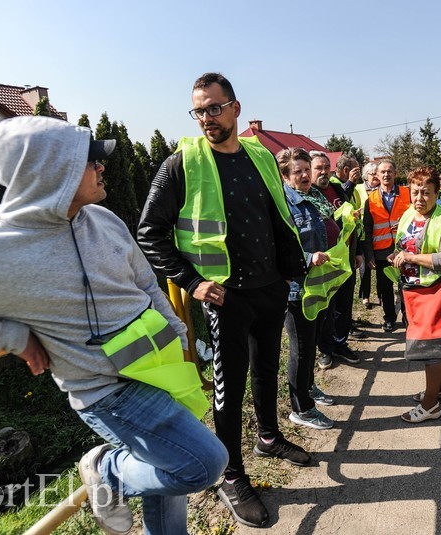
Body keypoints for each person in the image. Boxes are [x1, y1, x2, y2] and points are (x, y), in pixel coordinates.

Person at [0, 116, 229, 535]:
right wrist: (8, 336)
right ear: (54, 170)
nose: (102, 167)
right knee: (203, 463)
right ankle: (107, 471)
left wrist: (178, 337)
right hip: (107, 391)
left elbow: (145, 283)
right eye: (91, 161)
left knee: (168, 480)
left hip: (162, 368)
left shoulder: (103, 219)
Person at [137, 72, 309, 528]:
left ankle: (269, 437)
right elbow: (149, 234)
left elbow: (278, 212)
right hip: (225, 297)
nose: (207, 118)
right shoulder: (182, 163)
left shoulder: (260, 154)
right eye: (199, 110)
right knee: (228, 389)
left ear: (235, 108)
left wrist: (290, 268)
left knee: (267, 368)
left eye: (215, 108)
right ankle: (232, 474)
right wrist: (191, 282)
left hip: (270, 288)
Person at [388, 167, 441, 423]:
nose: (420, 199)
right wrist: (397, 255)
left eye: (426, 193)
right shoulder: (410, 214)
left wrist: (411, 257)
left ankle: (431, 405)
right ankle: (439, 388)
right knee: (426, 347)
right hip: (412, 291)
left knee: (432, 350)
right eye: (416, 192)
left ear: (437, 192)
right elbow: (403, 244)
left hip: (435, 292)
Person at [277, 147, 337, 430]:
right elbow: (278, 247)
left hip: (315, 285)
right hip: (296, 289)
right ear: (285, 175)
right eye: (297, 171)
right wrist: (307, 258)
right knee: (300, 347)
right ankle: (301, 409)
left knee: (310, 342)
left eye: (305, 169)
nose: (303, 175)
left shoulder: (311, 198)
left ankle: (309, 387)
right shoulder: (284, 204)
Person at [310, 151, 363, 369]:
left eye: (325, 167)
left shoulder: (338, 189)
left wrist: (357, 251)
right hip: (324, 264)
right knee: (326, 310)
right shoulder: (309, 195)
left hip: (346, 261)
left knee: (344, 306)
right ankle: (325, 350)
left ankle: (340, 344)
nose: (323, 172)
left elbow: (350, 220)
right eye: (318, 168)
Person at [363, 159, 411, 331]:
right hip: (381, 251)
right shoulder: (371, 199)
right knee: (385, 288)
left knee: (406, 285)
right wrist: (369, 255)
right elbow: (367, 230)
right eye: (382, 172)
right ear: (377, 175)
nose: (386, 174)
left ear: (395, 174)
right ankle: (389, 318)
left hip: (404, 249)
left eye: (389, 171)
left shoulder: (408, 193)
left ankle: (409, 319)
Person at [358, 162, 380, 309]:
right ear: (366, 176)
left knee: (379, 265)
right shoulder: (358, 189)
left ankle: (381, 294)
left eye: (377, 174)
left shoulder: (381, 190)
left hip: (379, 232)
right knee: (364, 268)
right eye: (373, 174)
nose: (376, 177)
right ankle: (365, 296)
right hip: (362, 233)